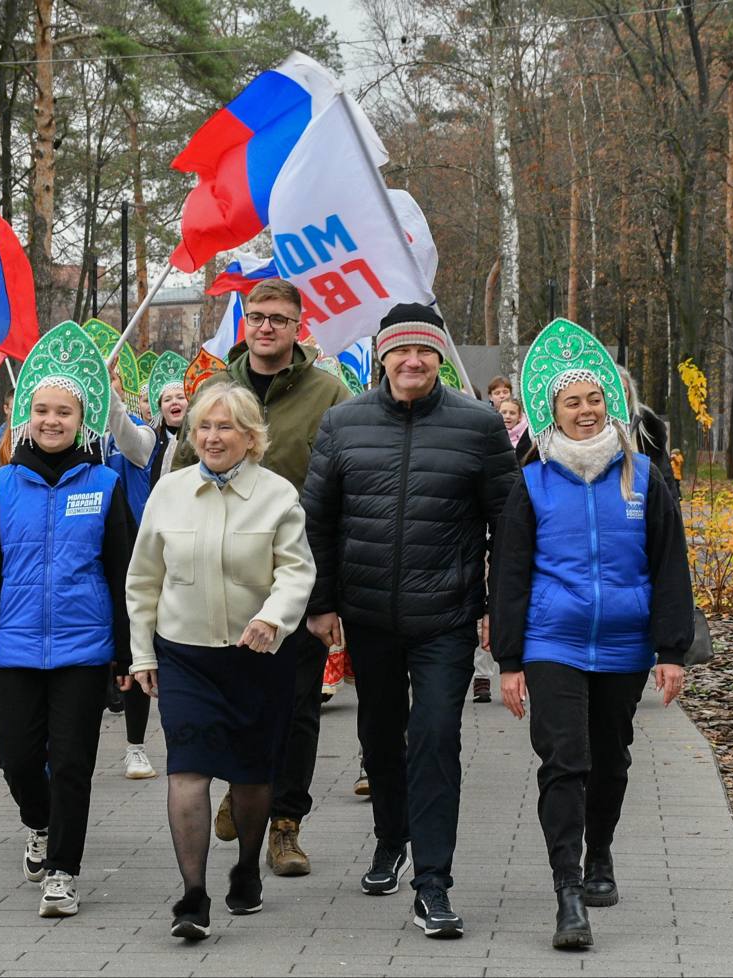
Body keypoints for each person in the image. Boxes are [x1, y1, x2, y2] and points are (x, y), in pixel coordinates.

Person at [302, 303, 516, 939]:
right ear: (383, 356)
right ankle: (390, 837)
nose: (413, 361)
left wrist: (495, 612)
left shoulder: (478, 425)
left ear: (440, 357)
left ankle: (433, 884)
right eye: (401, 351)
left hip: (445, 618)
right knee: (380, 738)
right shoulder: (343, 423)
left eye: (425, 350)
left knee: (434, 742)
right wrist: (322, 602)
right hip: (368, 617)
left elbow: (507, 524)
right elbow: (317, 518)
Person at [491, 319, 694, 950]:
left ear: (611, 403)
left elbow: (668, 565)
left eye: (594, 400)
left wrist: (671, 651)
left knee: (610, 759)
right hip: (553, 642)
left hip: (626, 646)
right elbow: (511, 572)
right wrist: (509, 659)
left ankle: (599, 853)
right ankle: (568, 892)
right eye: (571, 402)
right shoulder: (532, 482)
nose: (585, 411)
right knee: (565, 761)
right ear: (552, 411)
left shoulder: (643, 478)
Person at [0, 322, 135, 920]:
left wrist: (129, 654)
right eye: (41, 410)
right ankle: (38, 823)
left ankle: (63, 871)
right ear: (24, 417)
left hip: (85, 650)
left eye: (64, 411)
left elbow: (122, 573)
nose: (52, 420)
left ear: (83, 420)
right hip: (15, 648)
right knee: (19, 758)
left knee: (75, 764)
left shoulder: (105, 484)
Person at [172, 278, 349, 878]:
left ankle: (284, 824)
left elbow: (344, 487)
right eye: (256, 316)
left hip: (295, 576)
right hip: (218, 582)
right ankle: (243, 787)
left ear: (299, 326)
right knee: (231, 701)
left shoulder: (329, 393)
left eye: (278, 317)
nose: (266, 326)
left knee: (295, 707)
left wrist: (327, 593)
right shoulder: (216, 390)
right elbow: (180, 475)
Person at [127, 382, 316, 940]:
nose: (212, 437)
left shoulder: (278, 495)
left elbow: (296, 570)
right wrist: (142, 653)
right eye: (203, 427)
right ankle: (192, 897)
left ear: (251, 437)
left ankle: (247, 867)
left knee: (252, 774)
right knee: (187, 768)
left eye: (225, 427)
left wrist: (273, 618)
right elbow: (143, 581)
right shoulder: (169, 492)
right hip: (184, 654)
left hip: (257, 656)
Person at [103, 350, 192, 780]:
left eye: (181, 395)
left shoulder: (144, 440)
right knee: (126, 649)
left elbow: (122, 426)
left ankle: (147, 745)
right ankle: (129, 740)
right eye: (167, 396)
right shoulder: (85, 443)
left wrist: (111, 394)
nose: (175, 402)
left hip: (154, 559)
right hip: (106, 558)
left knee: (150, 648)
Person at [618, 366, 678, 501]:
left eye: (623, 390)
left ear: (630, 394)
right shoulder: (591, 430)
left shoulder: (648, 429)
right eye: (613, 390)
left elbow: (666, 483)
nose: (618, 396)